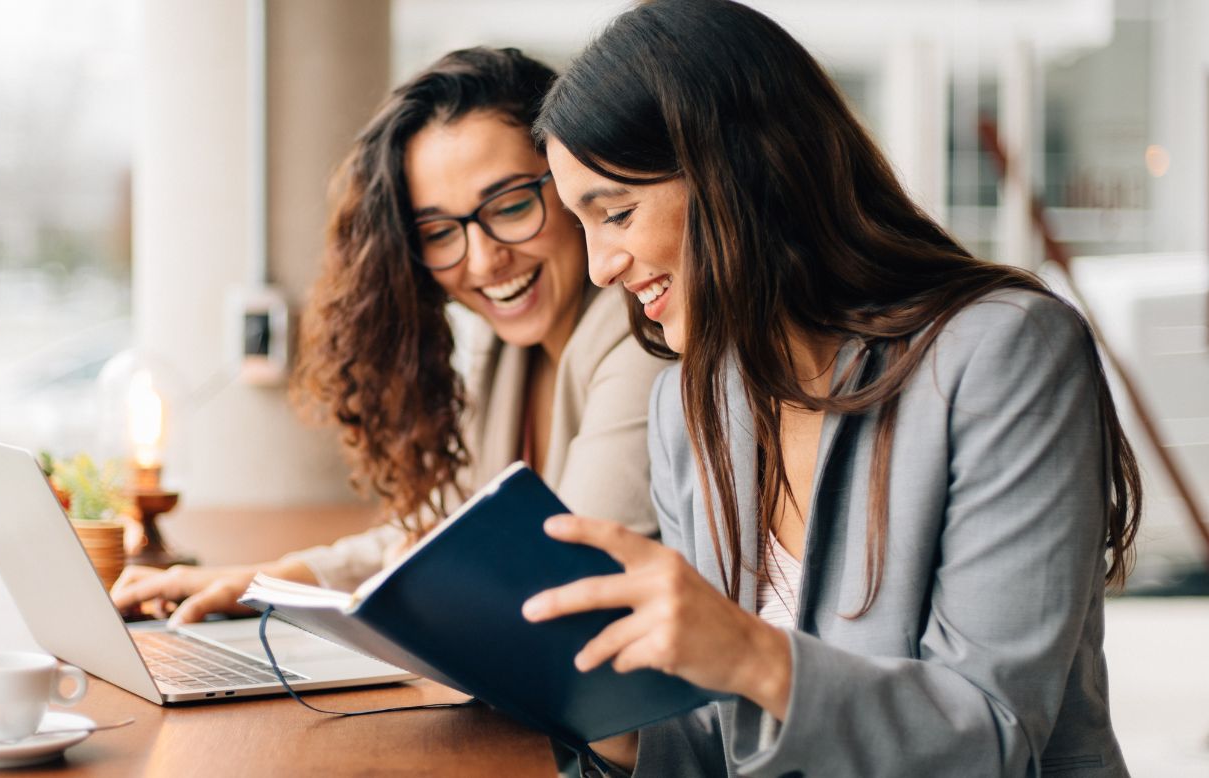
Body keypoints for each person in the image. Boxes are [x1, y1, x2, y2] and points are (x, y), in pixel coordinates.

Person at [522, 1, 1142, 776]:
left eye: (615, 213)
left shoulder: (1006, 353)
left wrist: (752, 656)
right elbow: (718, 741)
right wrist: (594, 716)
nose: (598, 266)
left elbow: (992, 734)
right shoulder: (692, 406)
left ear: (737, 170)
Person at [111, 47, 669, 624]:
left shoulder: (638, 335)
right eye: (438, 231)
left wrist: (429, 577)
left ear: (572, 181)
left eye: (508, 205)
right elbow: (427, 534)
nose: (483, 261)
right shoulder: (506, 353)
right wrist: (256, 581)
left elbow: (569, 578)